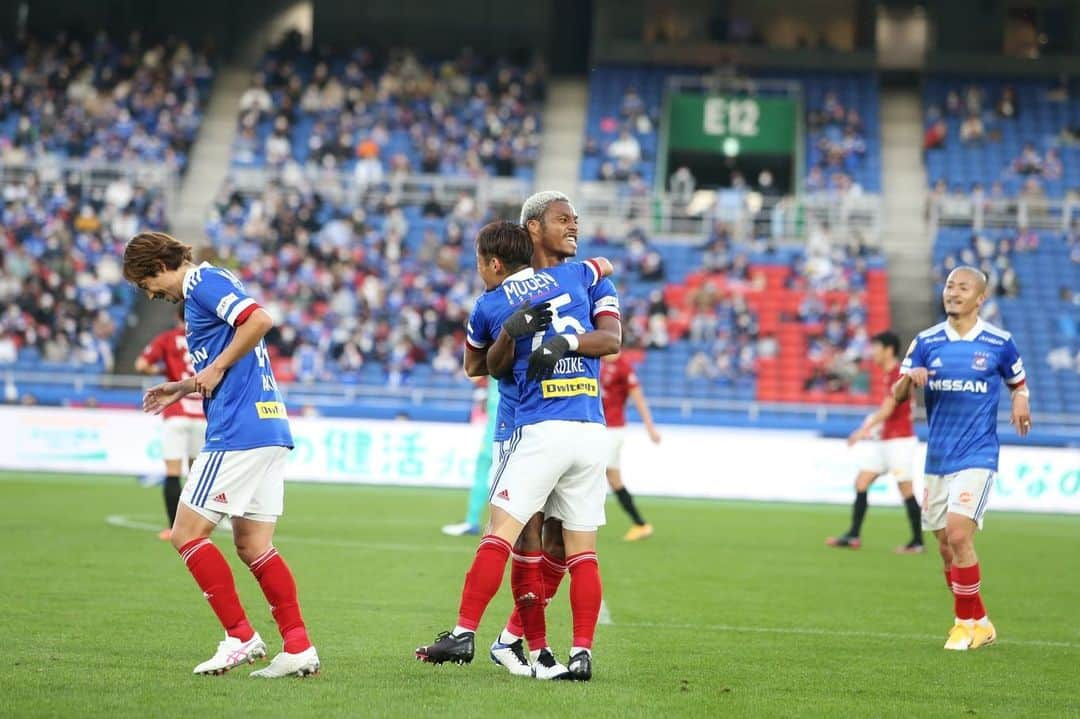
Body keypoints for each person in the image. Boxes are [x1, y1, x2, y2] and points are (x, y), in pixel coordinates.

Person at [415, 220, 619, 683]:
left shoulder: (490, 302)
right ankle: (570, 652)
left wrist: (509, 333)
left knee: (502, 535)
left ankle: (465, 631)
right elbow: (604, 267)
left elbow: (477, 367)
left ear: (491, 263)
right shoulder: (576, 277)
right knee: (580, 551)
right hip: (589, 426)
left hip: (536, 427)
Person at [122, 231, 319, 677]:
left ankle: (240, 637)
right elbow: (233, 349)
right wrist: (185, 385)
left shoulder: (201, 284)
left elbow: (260, 320)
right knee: (253, 545)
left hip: (238, 430)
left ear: (155, 267)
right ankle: (299, 647)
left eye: (145, 284)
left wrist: (214, 367)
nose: (151, 294)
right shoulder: (209, 287)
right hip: (268, 425)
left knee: (185, 534)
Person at [894, 266, 1030, 651]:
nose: (953, 292)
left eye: (962, 287)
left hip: (977, 453)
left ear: (980, 297)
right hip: (938, 456)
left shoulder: (999, 342)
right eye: (950, 286)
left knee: (958, 534)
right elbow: (898, 393)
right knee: (944, 547)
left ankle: (962, 624)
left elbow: (1018, 382)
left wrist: (1021, 401)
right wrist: (910, 378)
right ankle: (981, 622)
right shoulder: (925, 341)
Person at [826, 331, 923, 553]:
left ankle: (917, 542)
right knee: (861, 481)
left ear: (889, 349)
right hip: (885, 440)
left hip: (900, 441)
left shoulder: (899, 374)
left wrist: (863, 430)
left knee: (905, 488)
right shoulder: (888, 374)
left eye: (876, 348)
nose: (873, 353)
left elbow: (888, 409)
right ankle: (853, 535)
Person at [135, 304, 208, 541]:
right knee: (197, 475)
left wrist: (163, 371)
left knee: (173, 472)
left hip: (176, 410)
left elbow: (141, 365)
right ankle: (201, 525)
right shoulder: (207, 337)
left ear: (177, 316)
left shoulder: (167, 339)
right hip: (203, 413)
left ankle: (173, 527)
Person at [599, 352, 661, 540]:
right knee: (614, 480)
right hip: (599, 427)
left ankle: (577, 525)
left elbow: (638, 399)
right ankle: (640, 524)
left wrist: (650, 428)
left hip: (613, 430)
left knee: (592, 471)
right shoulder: (597, 360)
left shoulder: (623, 367)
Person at [441, 379, 500, 537]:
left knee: (481, 473)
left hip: (494, 434)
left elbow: (473, 371)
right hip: (519, 433)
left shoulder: (496, 367)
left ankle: (472, 521)